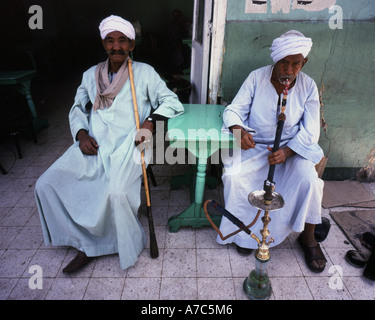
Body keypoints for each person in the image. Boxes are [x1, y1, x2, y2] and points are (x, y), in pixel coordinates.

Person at [34, 15, 184, 273]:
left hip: (131, 144)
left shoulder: (144, 73)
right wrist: (81, 134)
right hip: (94, 144)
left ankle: (110, 243)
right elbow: (77, 107)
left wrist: (150, 120)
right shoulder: (90, 76)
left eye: (122, 41)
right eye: (110, 41)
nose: (117, 46)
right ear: (104, 45)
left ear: (131, 45)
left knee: (115, 191)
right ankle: (84, 240)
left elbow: (172, 101)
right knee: (45, 184)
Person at [217, 30, 327, 273]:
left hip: (291, 150)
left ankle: (308, 238)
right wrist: (238, 130)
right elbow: (234, 110)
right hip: (254, 147)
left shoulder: (308, 86)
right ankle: (245, 235)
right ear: (275, 61)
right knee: (234, 177)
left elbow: (310, 131)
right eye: (284, 63)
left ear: (304, 63)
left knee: (310, 181)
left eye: (295, 64)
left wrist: (287, 152)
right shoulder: (256, 77)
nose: (288, 69)